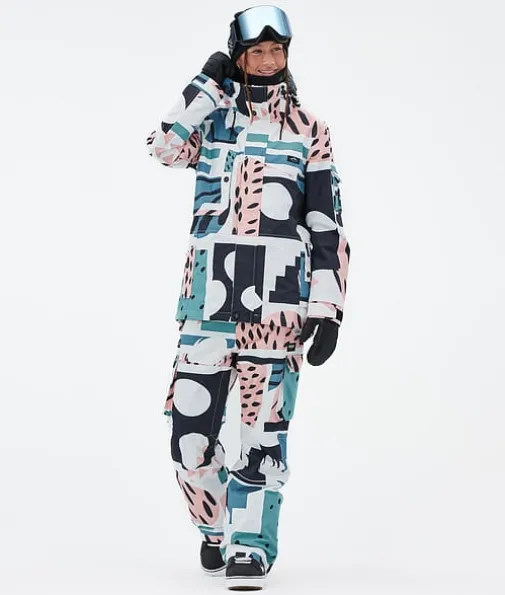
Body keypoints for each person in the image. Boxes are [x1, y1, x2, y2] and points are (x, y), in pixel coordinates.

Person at [146, 5, 350, 590]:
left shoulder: (309, 129)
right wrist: (205, 84)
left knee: (261, 438)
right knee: (188, 438)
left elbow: (326, 222)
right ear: (238, 56)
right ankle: (215, 526)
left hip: (278, 310)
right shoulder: (212, 120)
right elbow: (163, 147)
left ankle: (250, 548)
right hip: (206, 307)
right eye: (256, 51)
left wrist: (328, 307)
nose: (267, 60)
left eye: (276, 51)